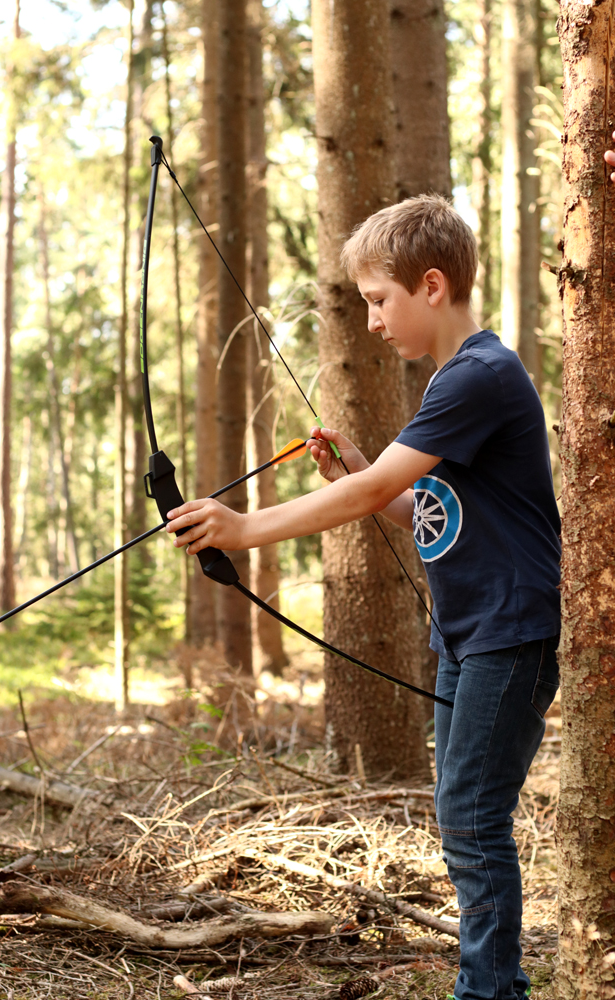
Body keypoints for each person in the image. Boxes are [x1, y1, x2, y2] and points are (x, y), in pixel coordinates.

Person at [166, 193, 561, 1000]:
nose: (373, 322)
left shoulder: (480, 373)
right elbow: (421, 505)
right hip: (466, 636)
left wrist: (244, 530)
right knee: (462, 818)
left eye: (379, 301)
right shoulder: (458, 379)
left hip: (507, 633)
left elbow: (375, 491)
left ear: (431, 285)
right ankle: (492, 981)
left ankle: (490, 991)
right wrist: (356, 470)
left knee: (473, 818)